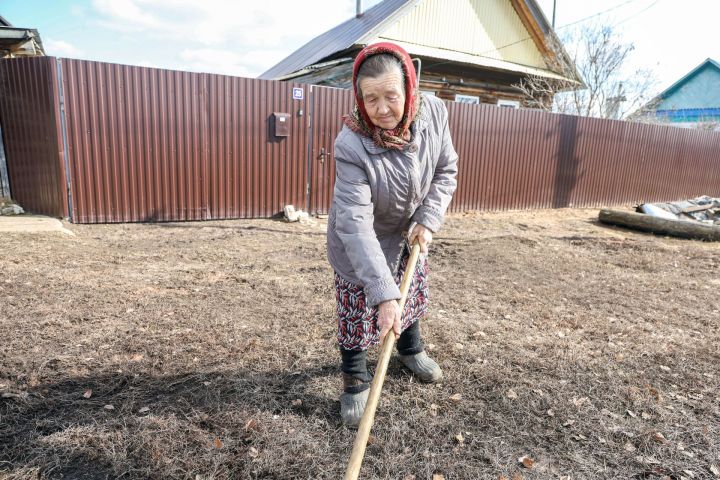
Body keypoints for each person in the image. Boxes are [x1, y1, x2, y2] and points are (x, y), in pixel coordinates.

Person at [326, 42, 458, 427]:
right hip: (360, 240)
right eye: (371, 99)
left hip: (410, 230)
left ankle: (410, 349)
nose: (381, 109)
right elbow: (354, 222)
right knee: (357, 308)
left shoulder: (434, 112)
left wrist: (429, 215)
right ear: (358, 98)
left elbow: (446, 170)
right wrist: (382, 295)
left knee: (410, 293)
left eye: (391, 96)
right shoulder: (351, 144)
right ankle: (354, 378)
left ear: (410, 90)